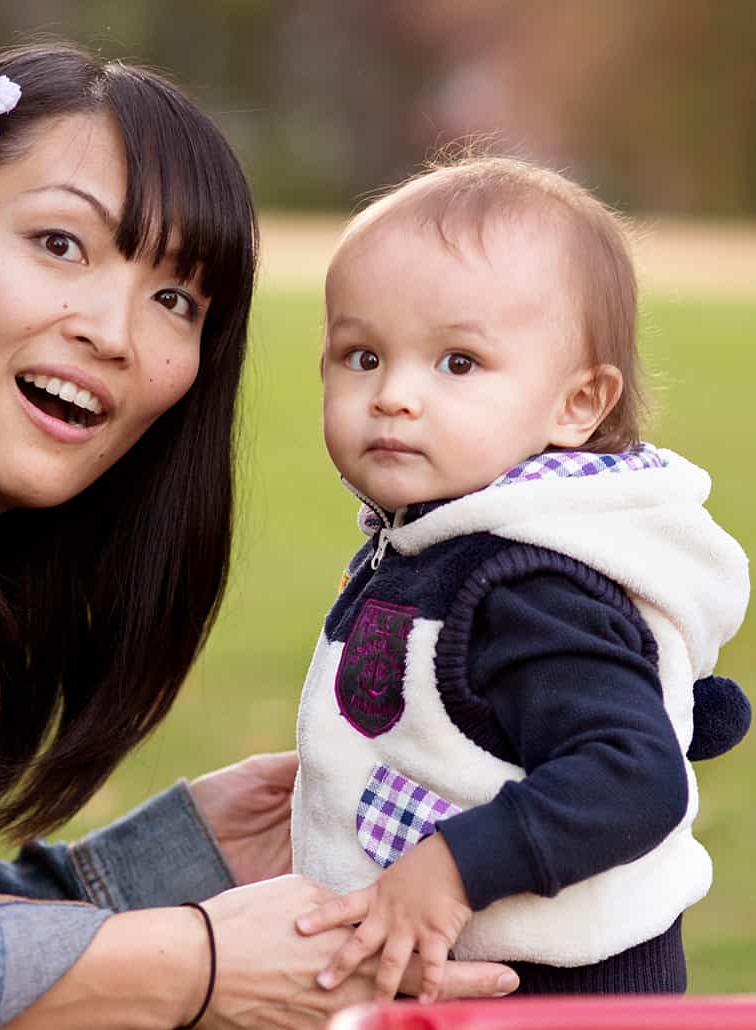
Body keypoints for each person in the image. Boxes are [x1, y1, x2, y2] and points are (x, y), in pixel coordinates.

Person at [0, 44, 521, 1029]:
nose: (113, 330)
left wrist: (191, 861)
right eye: (60, 244)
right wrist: (194, 964)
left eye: (176, 299)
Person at [287, 156, 750, 1002]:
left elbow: (632, 772)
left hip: (554, 996)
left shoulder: (528, 585)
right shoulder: (434, 541)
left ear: (577, 404)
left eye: (457, 363)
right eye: (361, 355)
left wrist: (456, 868)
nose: (393, 395)